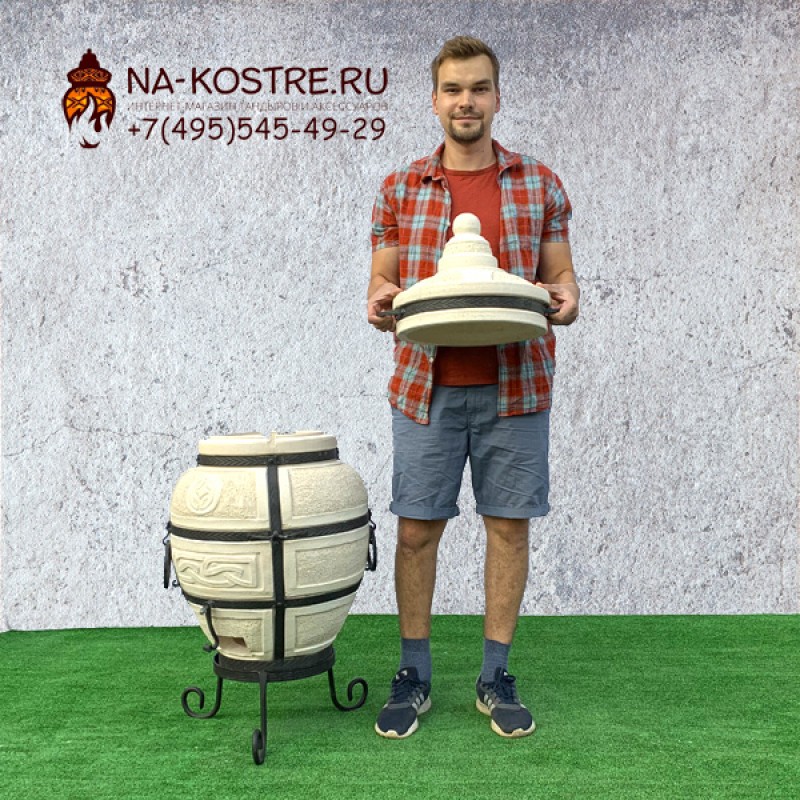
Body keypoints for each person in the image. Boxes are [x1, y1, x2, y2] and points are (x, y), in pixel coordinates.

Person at [367, 35, 579, 740]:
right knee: (416, 529)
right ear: (435, 101)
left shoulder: (539, 183)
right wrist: (380, 301)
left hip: (515, 384)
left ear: (496, 96)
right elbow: (383, 282)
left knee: (508, 527)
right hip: (425, 386)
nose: (467, 101)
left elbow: (560, 275)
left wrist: (566, 296)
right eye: (454, 89)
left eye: (479, 88)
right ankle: (414, 674)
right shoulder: (400, 188)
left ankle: (495, 675)